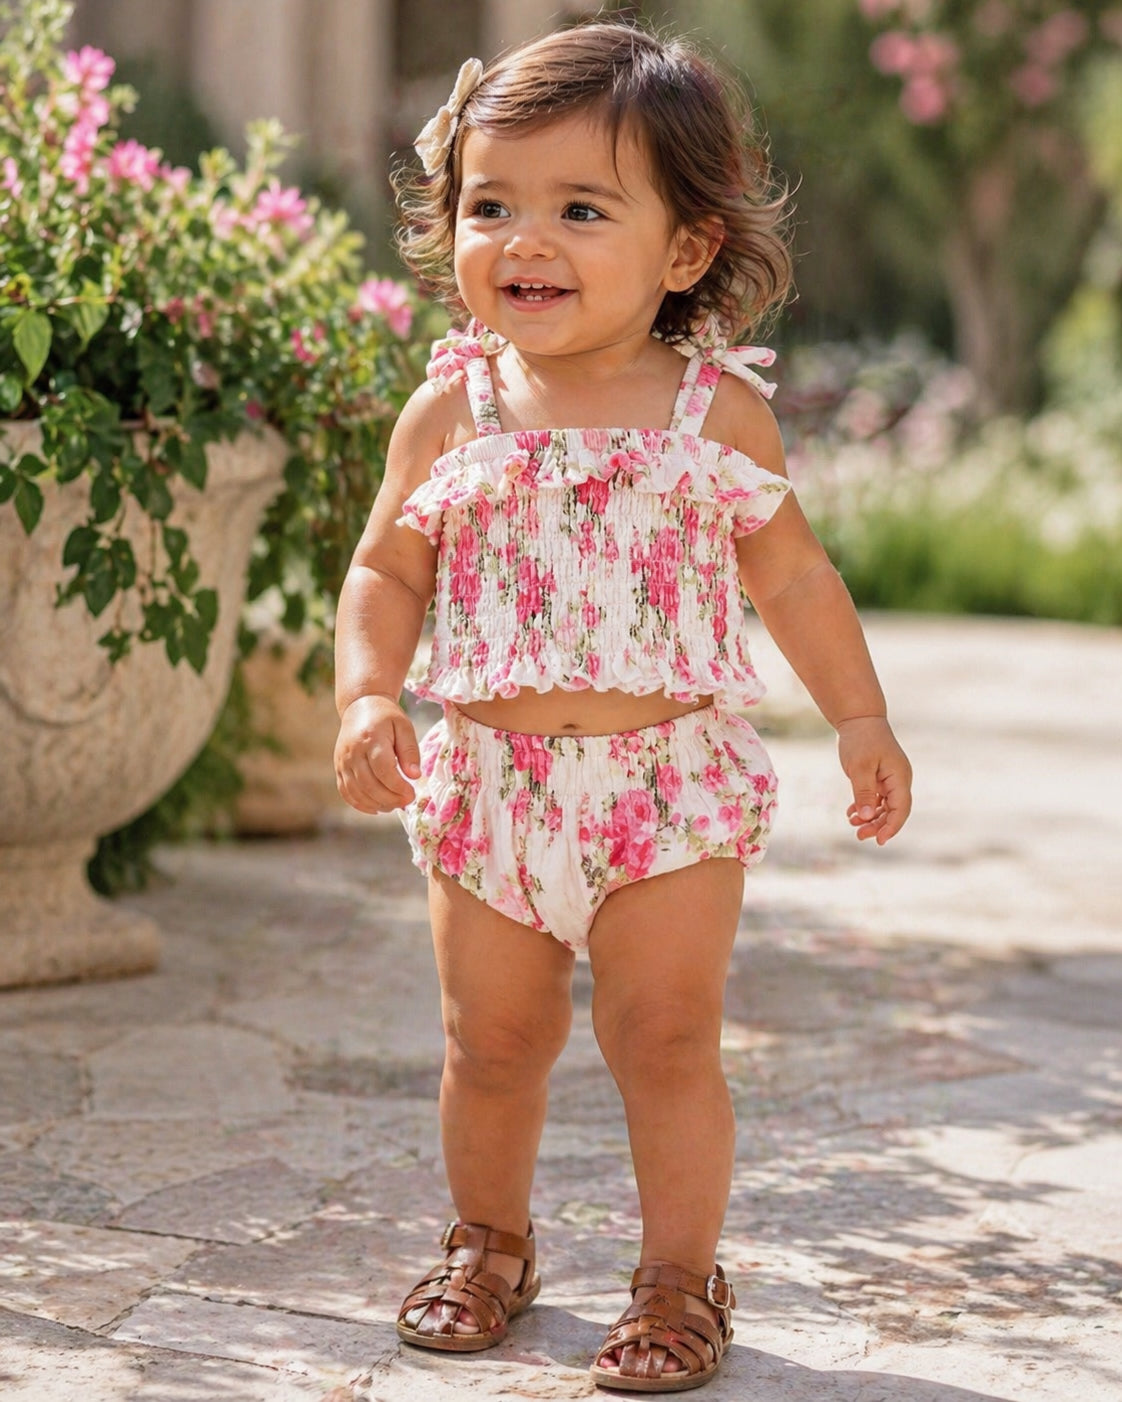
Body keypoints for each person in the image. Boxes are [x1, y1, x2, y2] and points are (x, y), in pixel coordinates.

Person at [334, 20, 912, 1393]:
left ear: (683, 251)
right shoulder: (455, 409)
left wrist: (859, 718)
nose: (522, 240)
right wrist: (366, 689)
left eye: (578, 209)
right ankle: (488, 1238)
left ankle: (674, 1276)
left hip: (668, 788)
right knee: (491, 1042)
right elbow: (383, 565)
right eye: (491, 206)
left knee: (663, 1035)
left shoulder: (711, 413)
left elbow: (795, 574)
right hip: (490, 787)